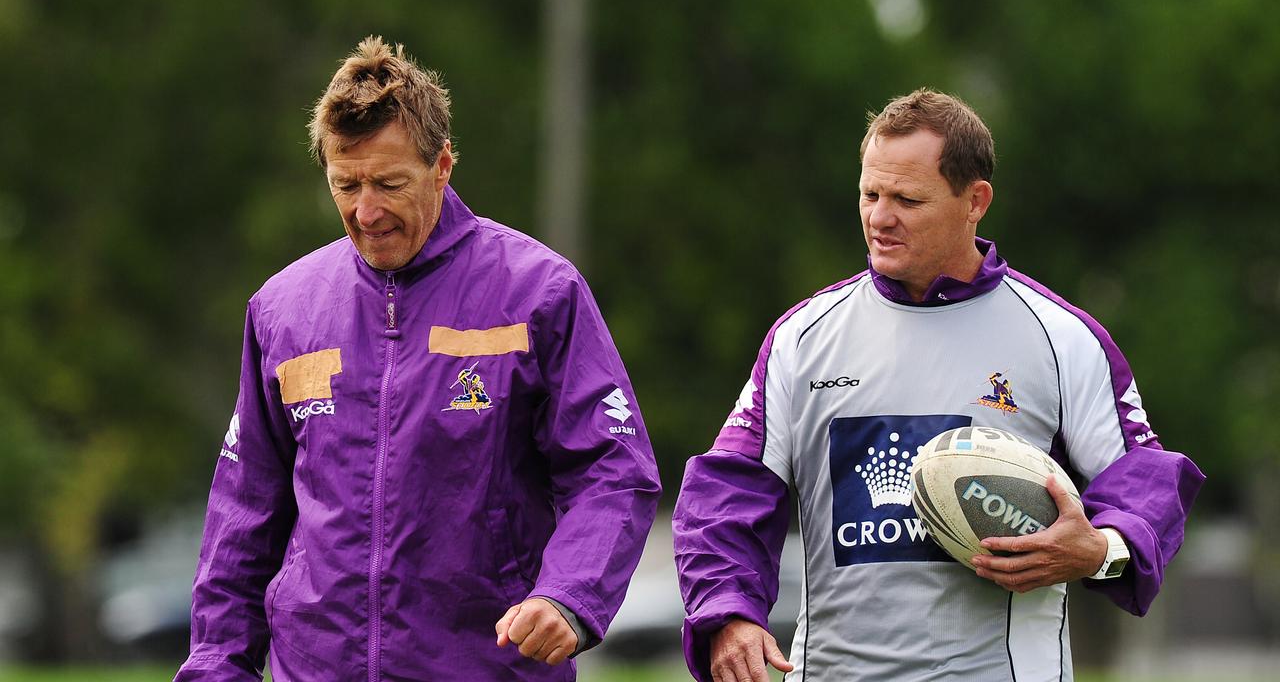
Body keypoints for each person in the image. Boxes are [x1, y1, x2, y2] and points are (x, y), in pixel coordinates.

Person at [672, 89, 1204, 682]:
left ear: (975, 201)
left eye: (907, 199)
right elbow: (727, 494)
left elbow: (1146, 484)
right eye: (869, 194)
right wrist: (728, 614)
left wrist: (1102, 551)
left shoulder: (1062, 338)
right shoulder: (802, 338)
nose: (879, 217)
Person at [176, 36, 661, 681]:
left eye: (389, 183)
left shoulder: (538, 292)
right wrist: (216, 664)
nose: (365, 211)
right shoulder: (283, 310)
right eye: (344, 184)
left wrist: (569, 595)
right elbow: (244, 510)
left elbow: (612, 472)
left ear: (443, 167)